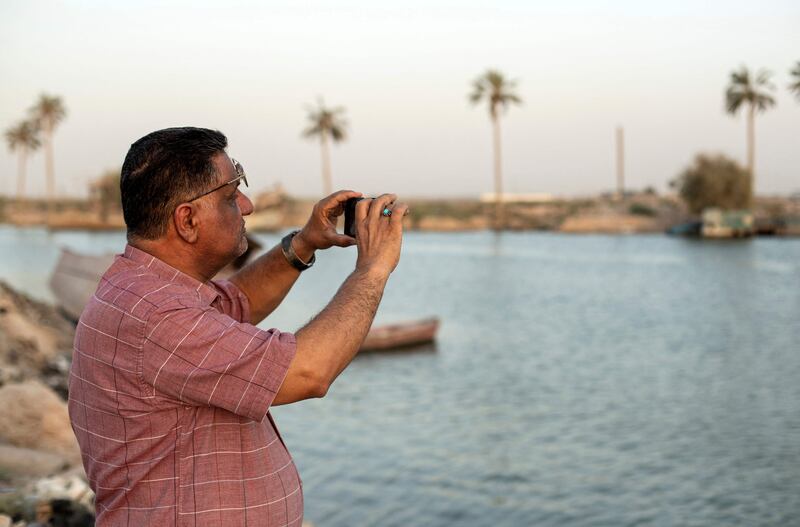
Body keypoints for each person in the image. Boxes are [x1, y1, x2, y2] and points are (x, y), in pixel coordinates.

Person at [67, 127, 407, 526]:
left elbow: (237, 301)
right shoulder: (156, 314)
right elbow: (309, 372)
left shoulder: (146, 289)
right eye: (231, 195)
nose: (246, 206)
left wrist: (305, 243)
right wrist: (373, 269)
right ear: (188, 220)